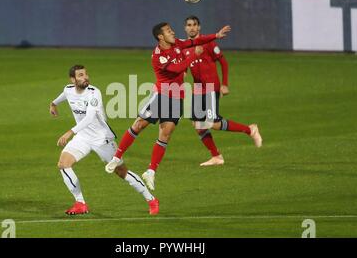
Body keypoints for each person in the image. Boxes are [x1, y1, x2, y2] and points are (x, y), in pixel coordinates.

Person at [105, 22, 231, 191]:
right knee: (139, 125)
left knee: (165, 135)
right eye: (168, 31)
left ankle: (151, 171)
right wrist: (194, 55)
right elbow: (177, 68)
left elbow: (193, 42)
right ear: (160, 37)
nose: (173, 32)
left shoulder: (177, 43)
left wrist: (216, 35)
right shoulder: (158, 56)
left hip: (177, 98)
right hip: (162, 95)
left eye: (171, 29)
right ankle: (116, 157)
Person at [50, 65, 159, 215]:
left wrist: (70, 132)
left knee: (121, 171)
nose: (85, 77)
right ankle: (80, 203)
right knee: (63, 164)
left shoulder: (94, 93)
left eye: (86, 74)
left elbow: (89, 118)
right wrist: (53, 104)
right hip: (82, 137)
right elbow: (64, 95)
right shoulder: (68, 89)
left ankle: (151, 199)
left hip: (102, 139)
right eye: (81, 75)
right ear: (73, 79)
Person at [182, 16, 262, 166]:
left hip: (211, 86)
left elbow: (223, 62)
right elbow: (184, 69)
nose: (192, 28)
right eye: (189, 25)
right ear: (185, 28)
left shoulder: (209, 42)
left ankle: (250, 129)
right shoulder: (185, 47)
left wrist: (224, 84)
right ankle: (216, 156)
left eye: (194, 25)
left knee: (213, 123)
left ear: (199, 27)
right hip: (198, 88)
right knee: (197, 124)